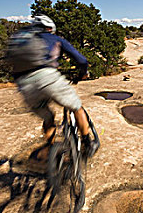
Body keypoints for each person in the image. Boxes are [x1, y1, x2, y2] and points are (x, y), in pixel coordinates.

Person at [8, 15, 99, 161]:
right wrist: (83, 73)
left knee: (48, 117)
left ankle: (49, 149)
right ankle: (88, 143)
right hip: (47, 77)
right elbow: (81, 59)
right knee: (76, 107)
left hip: (25, 84)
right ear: (50, 28)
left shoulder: (23, 40)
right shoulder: (54, 38)